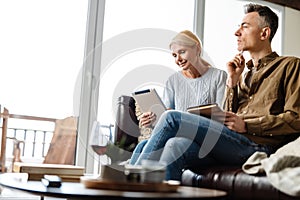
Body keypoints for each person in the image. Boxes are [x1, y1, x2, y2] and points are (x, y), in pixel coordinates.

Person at [131, 3, 300, 181]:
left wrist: (249, 125)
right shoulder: (243, 76)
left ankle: (128, 183)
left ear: (264, 33)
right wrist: (232, 82)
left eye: (244, 27)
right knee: (174, 145)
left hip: (256, 146)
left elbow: (296, 118)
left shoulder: (290, 66)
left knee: (171, 118)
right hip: (229, 143)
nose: (237, 33)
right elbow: (226, 117)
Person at [129, 30, 227, 165]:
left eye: (182, 52)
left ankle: (133, 179)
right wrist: (152, 120)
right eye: (174, 55)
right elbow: (166, 118)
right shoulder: (173, 80)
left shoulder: (219, 77)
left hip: (203, 141)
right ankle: (130, 184)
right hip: (176, 136)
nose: (177, 59)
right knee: (142, 146)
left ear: (197, 48)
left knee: (174, 143)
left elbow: (221, 118)